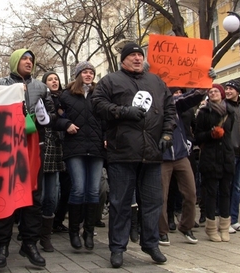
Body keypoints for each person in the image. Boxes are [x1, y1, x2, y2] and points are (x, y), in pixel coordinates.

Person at [91, 42, 176, 267]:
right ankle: (118, 248)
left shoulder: (156, 81)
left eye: (140, 55)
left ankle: (151, 244)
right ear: (123, 60)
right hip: (122, 153)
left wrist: (167, 133)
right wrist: (122, 112)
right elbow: (97, 104)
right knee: (120, 202)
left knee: (153, 202)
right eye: (133, 56)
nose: (138, 58)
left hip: (152, 153)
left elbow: (170, 108)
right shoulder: (110, 81)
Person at [0, 49, 56, 268]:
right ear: (15, 61)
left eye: (31, 59)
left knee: (33, 199)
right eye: (24, 59)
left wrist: (44, 113)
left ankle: (30, 244)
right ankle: (1, 246)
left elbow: (51, 116)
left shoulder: (41, 87)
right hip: (6, 150)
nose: (29, 62)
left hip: (32, 149)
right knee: (5, 196)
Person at [56, 61, 106, 253]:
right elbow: (55, 117)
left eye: (91, 72)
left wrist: (107, 137)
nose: (88, 75)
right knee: (78, 189)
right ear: (78, 75)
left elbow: (106, 119)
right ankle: (74, 232)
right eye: (84, 72)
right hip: (74, 147)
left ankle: (89, 232)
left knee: (93, 190)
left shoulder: (98, 95)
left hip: (95, 148)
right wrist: (66, 123)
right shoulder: (66, 95)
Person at [159, 85, 211, 246]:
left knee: (190, 193)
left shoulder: (174, 102)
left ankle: (186, 226)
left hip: (181, 155)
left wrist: (204, 85)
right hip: (162, 157)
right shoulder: (149, 104)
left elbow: (191, 98)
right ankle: (162, 231)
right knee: (162, 197)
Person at [195, 83, 235, 242]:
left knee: (226, 192)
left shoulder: (230, 111)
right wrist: (211, 134)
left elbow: (231, 133)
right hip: (210, 157)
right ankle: (211, 228)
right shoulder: (203, 113)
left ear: (222, 93)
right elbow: (198, 136)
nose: (213, 93)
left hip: (226, 156)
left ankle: (224, 226)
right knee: (210, 193)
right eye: (210, 92)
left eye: (216, 91)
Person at [39, 71, 66, 252]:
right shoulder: (39, 99)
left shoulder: (64, 100)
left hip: (56, 150)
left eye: (56, 79)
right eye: (50, 79)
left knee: (52, 196)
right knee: (39, 196)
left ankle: (46, 237)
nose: (54, 81)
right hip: (40, 149)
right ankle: (33, 231)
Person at [223, 80, 240, 233]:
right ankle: (225, 220)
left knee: (237, 188)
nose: (228, 91)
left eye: (230, 89)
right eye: (226, 89)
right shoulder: (223, 106)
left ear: (237, 91)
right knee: (226, 187)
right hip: (229, 152)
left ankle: (234, 220)